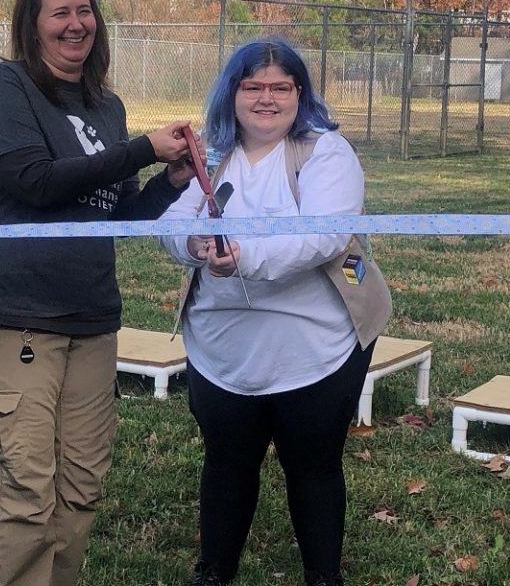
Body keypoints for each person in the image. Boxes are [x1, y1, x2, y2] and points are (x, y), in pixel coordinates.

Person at [0, 0, 194, 586]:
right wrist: (143, 149)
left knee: (81, 486)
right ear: (32, 25)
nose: (76, 24)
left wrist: (166, 185)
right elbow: (33, 183)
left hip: (92, 320)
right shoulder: (6, 87)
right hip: (17, 319)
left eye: (84, 11)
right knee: (28, 493)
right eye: (59, 12)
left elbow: (113, 215)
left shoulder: (105, 108)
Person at [158, 38, 382, 586]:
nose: (266, 98)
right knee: (227, 461)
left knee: (314, 466)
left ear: (298, 94)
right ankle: (213, 572)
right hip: (221, 347)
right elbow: (172, 221)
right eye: (252, 86)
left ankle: (322, 576)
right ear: (232, 94)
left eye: (280, 87)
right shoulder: (212, 153)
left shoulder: (327, 152)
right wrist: (194, 247)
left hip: (317, 348)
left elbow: (324, 236)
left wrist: (245, 256)